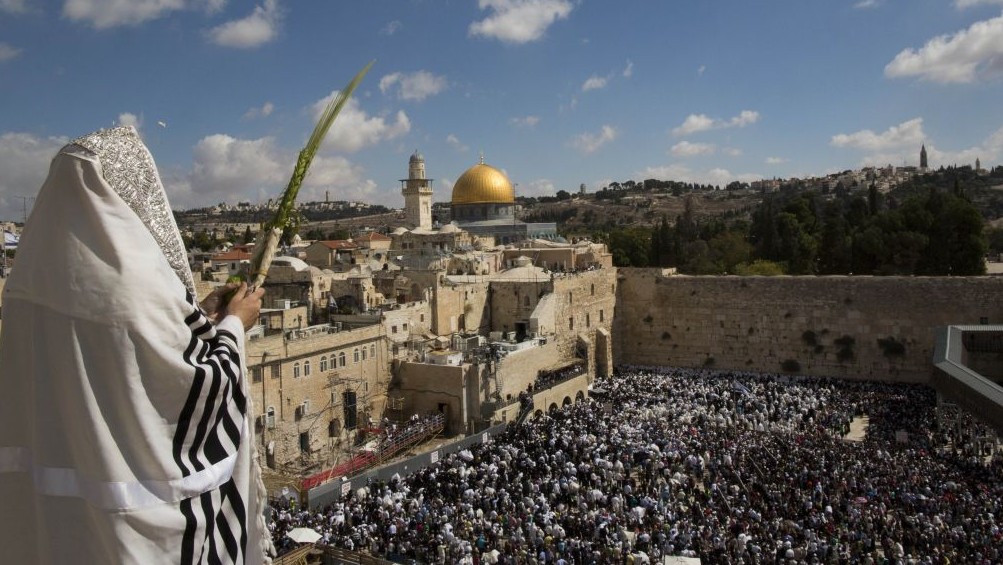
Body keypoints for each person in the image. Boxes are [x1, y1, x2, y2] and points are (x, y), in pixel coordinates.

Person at [0, 126, 274, 564]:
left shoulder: (23, 283)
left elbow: (124, 345)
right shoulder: (137, 283)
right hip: (136, 520)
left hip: (56, 509)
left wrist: (199, 317)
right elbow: (193, 383)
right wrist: (235, 326)